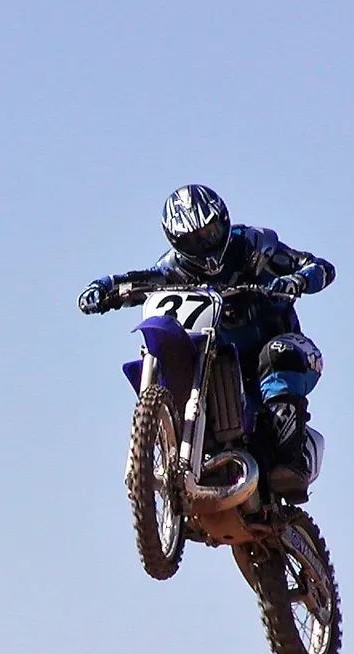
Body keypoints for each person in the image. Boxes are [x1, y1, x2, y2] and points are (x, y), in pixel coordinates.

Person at [77, 184, 335, 500]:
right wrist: (105, 288)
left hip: (278, 348)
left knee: (280, 354)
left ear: (224, 222)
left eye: (210, 233)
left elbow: (320, 266)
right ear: (176, 243)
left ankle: (290, 461)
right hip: (217, 358)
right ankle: (184, 452)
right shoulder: (173, 268)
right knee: (180, 353)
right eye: (191, 240)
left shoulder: (255, 245)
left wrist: (297, 279)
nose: (203, 244)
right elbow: (140, 281)